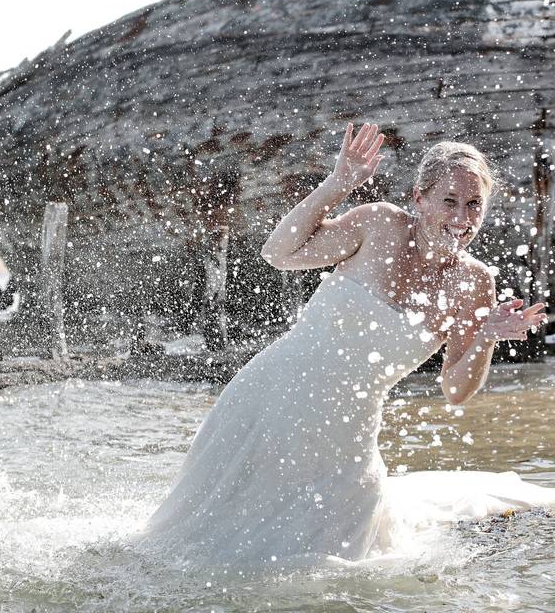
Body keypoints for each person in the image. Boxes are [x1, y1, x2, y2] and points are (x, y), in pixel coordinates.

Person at [138, 123, 555, 570]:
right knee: (202, 550)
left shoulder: (475, 283)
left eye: (473, 204)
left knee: (337, 564)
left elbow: (456, 389)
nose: (461, 218)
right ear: (419, 198)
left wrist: (486, 338)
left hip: (350, 428)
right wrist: (337, 184)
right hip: (274, 396)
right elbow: (278, 253)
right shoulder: (379, 225)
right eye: (448, 201)